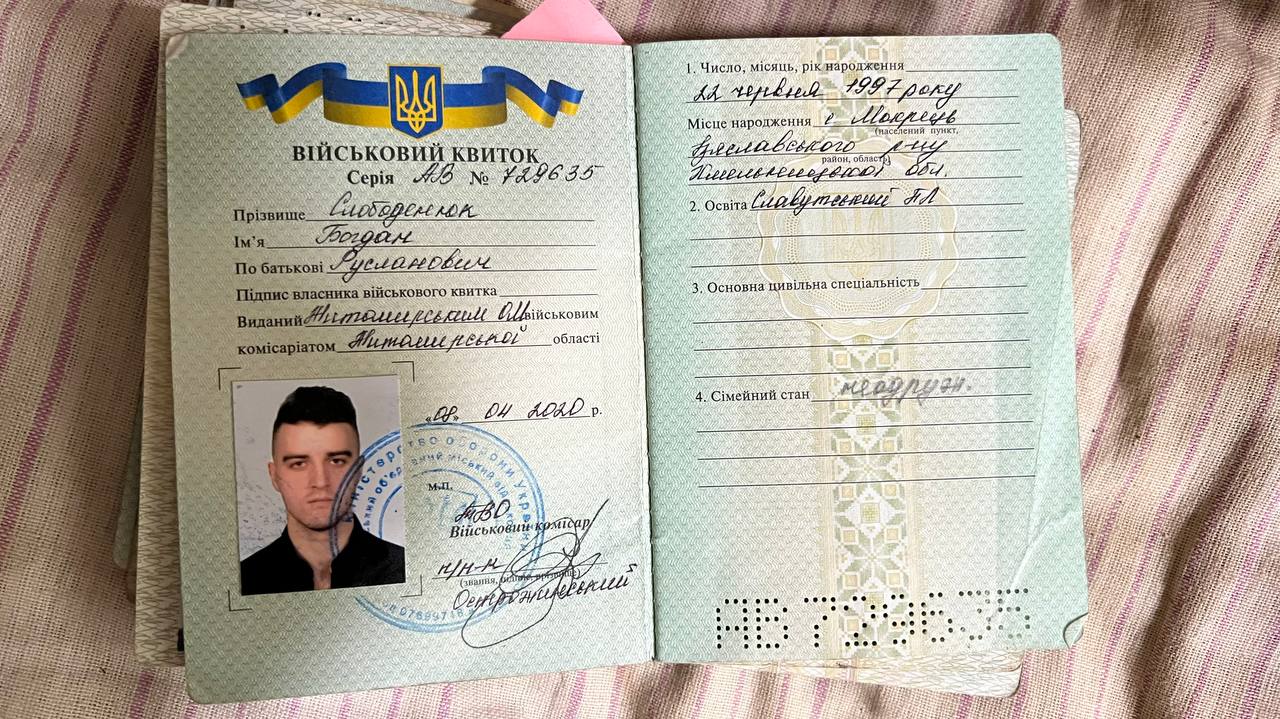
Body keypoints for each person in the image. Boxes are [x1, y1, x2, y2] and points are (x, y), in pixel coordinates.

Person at [240, 385, 404, 595]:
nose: (320, 481)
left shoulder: (404, 570)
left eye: (336, 461)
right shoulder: (245, 581)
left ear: (357, 471)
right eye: (299, 464)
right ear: (274, 476)